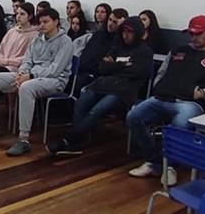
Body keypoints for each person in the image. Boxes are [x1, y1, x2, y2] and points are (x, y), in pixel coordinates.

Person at [126, 15, 205, 184]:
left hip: (190, 103)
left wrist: (204, 94)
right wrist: (159, 85)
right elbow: (161, 73)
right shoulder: (178, 50)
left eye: (198, 33)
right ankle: (155, 161)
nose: (194, 37)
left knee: (180, 124)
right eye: (191, 33)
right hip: (162, 97)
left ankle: (170, 166)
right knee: (134, 117)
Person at [0, 8, 74, 156]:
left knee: (26, 88)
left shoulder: (65, 42)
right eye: (40, 22)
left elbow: (55, 69)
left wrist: (30, 76)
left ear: (56, 22)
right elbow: (27, 60)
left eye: (46, 22)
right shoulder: (38, 38)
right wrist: (22, 73)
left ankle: (23, 139)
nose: (42, 25)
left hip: (54, 81)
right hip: (30, 76)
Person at [49, 16, 153, 156]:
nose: (125, 35)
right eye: (124, 31)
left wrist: (114, 65)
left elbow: (137, 72)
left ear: (137, 33)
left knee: (96, 110)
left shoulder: (144, 52)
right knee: (80, 103)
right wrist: (122, 65)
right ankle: (78, 140)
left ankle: (70, 139)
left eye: (130, 32)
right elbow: (102, 68)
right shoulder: (118, 47)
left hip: (123, 91)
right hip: (103, 84)